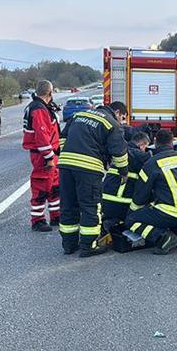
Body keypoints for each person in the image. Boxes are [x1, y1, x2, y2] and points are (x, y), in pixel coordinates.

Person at [57, 101, 129, 257]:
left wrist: (66, 154)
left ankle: (69, 244)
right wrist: (124, 172)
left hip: (65, 165)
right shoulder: (111, 124)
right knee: (90, 206)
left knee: (68, 205)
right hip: (88, 168)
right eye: (122, 118)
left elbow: (62, 137)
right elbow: (120, 153)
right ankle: (89, 245)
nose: (122, 122)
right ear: (117, 112)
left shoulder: (79, 115)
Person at [124, 129, 177, 255]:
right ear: (172, 142)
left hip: (172, 212)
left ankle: (163, 238)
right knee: (169, 210)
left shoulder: (151, 164)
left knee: (131, 220)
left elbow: (141, 195)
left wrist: (132, 212)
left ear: (155, 142)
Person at [22, 80, 62, 232]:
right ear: (50, 93)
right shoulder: (38, 109)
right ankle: (37, 220)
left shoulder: (40, 107)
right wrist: (49, 157)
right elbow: (42, 136)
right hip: (43, 156)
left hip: (50, 154)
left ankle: (56, 215)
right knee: (41, 187)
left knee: (54, 187)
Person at [101, 128, 151, 231]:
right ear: (142, 144)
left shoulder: (120, 152)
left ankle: (110, 225)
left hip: (105, 202)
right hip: (122, 204)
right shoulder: (139, 155)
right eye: (145, 147)